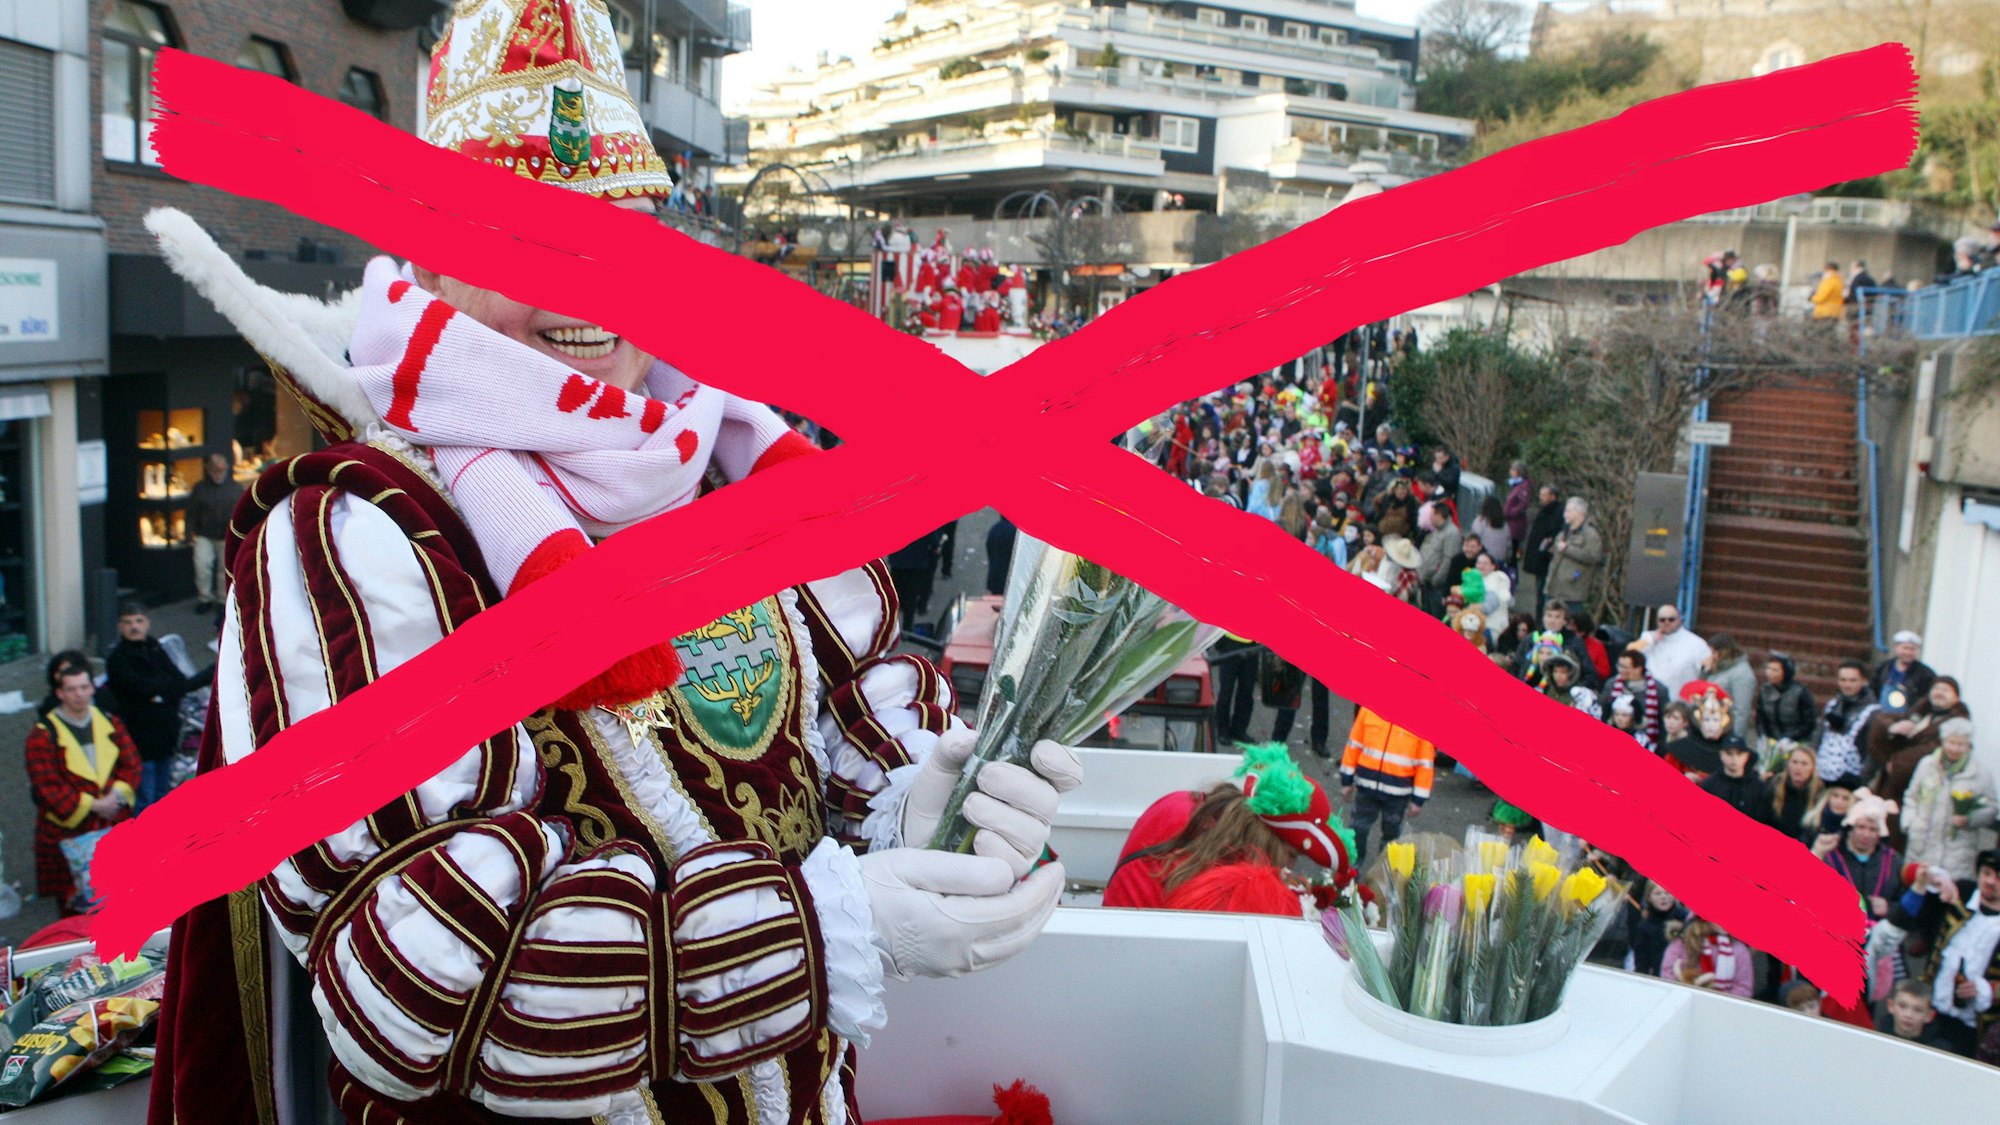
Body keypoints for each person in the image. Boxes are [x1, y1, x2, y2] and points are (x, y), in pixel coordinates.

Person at [144, 7, 1083, 1120]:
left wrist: (917, 803)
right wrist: (825, 928)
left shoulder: (729, 465)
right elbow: (418, 973)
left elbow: (842, 733)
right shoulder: (361, 535)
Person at [1107, 747, 1356, 916]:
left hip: (1112, 924)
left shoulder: (1182, 802)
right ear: (1271, 840)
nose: (1290, 866)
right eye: (1292, 855)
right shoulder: (1237, 884)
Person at [25, 661, 141, 915]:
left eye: (84, 687)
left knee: (120, 898)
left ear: (92, 689)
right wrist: (95, 805)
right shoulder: (42, 734)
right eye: (71, 689)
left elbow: (131, 764)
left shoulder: (110, 722)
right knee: (75, 905)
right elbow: (46, 787)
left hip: (112, 823)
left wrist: (115, 796)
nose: (79, 694)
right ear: (60, 693)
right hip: (70, 833)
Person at [1888, 850, 2000, 1056]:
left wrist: (1987, 989)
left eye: (1998, 877)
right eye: (1986, 873)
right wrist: (1937, 878)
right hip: (1929, 1011)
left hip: (1974, 1026)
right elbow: (1908, 873)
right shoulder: (1963, 892)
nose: (1991, 881)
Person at [103, 602, 206, 809]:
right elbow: (141, 688)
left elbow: (177, 681)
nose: (134, 626)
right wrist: (163, 691)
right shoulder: (117, 659)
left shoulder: (155, 648)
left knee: (162, 795)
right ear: (119, 626)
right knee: (145, 798)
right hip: (139, 739)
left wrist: (160, 693)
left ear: (147, 623)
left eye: (139, 621)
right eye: (128, 622)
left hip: (166, 736)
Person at [1865, 676, 1972, 840]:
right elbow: (1884, 719)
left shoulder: (1957, 723)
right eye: (1936, 688)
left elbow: (1933, 748)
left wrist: (1897, 763)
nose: (1939, 693)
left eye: (1945, 690)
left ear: (1956, 697)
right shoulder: (1920, 712)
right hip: (1892, 782)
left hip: (1919, 786)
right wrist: (1893, 727)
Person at [1902, 718, 1998, 883]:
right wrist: (1910, 824)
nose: (1955, 748)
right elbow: (1911, 796)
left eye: (1961, 744)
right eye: (1951, 742)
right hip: (1921, 845)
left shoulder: (1980, 773)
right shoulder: (1927, 765)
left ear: (1969, 745)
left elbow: (1991, 807)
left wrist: (1970, 819)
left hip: (1957, 854)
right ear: (1943, 741)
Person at [1340, 706, 1436, 865]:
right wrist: (1347, 779)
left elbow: (1425, 763)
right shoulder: (1368, 709)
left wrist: (1418, 799)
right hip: (1367, 787)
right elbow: (1354, 745)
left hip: (1398, 794)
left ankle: (1383, 876)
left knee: (1391, 837)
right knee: (1357, 830)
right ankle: (1351, 871)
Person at [1814, 789, 1905, 924]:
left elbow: (1906, 906)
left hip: (1874, 934)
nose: (1866, 834)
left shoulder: (1893, 861)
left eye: (1873, 829)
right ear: (1850, 827)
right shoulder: (1830, 854)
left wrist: (1889, 908)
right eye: (1861, 827)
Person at [187, 450, 242, 613]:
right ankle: (204, 597)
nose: (218, 474)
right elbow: (191, 512)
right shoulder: (200, 488)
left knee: (224, 569)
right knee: (202, 565)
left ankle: (221, 599)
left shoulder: (235, 488)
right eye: (215, 471)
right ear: (208, 470)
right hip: (204, 534)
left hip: (226, 534)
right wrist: (189, 532)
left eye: (221, 471)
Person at [1623, 604, 1711, 698]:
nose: (1667, 622)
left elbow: (1707, 670)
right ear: (1657, 621)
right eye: (1662, 620)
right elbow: (1628, 654)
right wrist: (1649, 640)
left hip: (1679, 703)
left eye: (1671, 619)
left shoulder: (1696, 643)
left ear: (1679, 620)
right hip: (1650, 700)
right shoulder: (1648, 638)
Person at [1818, 659, 1880, 782]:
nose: (1847, 685)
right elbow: (1819, 737)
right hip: (1821, 772)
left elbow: (1872, 752)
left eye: (1853, 680)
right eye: (1843, 680)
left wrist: (1862, 780)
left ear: (1864, 681)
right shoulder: (1832, 705)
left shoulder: (1873, 712)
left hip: (1851, 778)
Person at [1541, 496, 1605, 613]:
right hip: (1553, 588)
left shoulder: (1591, 535)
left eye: (1568, 511)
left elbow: (1594, 557)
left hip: (1572, 593)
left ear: (1579, 513)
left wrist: (1568, 549)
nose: (1564, 514)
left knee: (1569, 627)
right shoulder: (1565, 530)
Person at [1661, 918, 1753, 998]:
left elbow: (1744, 987)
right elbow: (1667, 974)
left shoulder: (1739, 950)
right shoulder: (1682, 943)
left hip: (1721, 1009)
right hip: (1684, 1000)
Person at [1617, 880, 1691, 977]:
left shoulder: (1686, 919)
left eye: (1667, 893)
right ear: (1649, 898)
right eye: (1657, 893)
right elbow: (1641, 964)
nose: (1663, 897)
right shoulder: (1644, 928)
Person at [1601, 650, 1665, 747]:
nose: (1620, 670)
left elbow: (1663, 722)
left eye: (1625, 667)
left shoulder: (1658, 690)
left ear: (1638, 668)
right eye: (1619, 665)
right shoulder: (1612, 685)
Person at [1755, 653, 1819, 749]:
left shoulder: (1799, 692)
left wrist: (1791, 738)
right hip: (1772, 742)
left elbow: (1809, 722)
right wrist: (1763, 735)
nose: (1769, 673)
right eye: (1768, 669)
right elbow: (1760, 717)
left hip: (1795, 742)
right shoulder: (1765, 690)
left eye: (1775, 670)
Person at [1703, 634, 1758, 745]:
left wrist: (1736, 739)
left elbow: (1742, 711)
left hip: (1726, 729)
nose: (1711, 656)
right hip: (1710, 724)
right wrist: (1705, 670)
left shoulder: (1742, 674)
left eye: (1714, 652)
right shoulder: (1718, 667)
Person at [1700, 741, 1771, 825]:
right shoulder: (1710, 784)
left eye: (1739, 754)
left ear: (1747, 756)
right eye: (1729, 754)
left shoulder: (1757, 787)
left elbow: (1763, 818)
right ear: (1721, 755)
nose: (1734, 759)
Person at [1519, 483, 1563, 614]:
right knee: (1538, 592)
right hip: (1538, 559)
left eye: (1544, 495)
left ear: (1553, 496)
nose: (1541, 497)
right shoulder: (1543, 510)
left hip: (1544, 560)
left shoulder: (1556, 513)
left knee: (1542, 593)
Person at [1876, 978, 1954, 1051]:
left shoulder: (1939, 1051)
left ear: (1929, 1015)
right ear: (1891, 1006)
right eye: (1903, 1006)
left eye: (1918, 1010)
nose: (1909, 1015)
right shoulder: (1875, 1039)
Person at [1768, 745, 1826, 842]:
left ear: (1813, 767)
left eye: (1804, 764)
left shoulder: (1819, 794)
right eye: (1794, 762)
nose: (1798, 768)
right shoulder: (1774, 786)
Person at [1871, 629, 1936, 715]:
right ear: (1896, 647)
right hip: (1881, 714)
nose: (1908, 652)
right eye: (1905, 648)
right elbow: (1872, 690)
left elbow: (1927, 699)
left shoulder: (1926, 673)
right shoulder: (1883, 667)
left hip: (1907, 717)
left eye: (1913, 649)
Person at [1501, 461, 1532, 560]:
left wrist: (1509, 513)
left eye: (1513, 470)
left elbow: (1523, 504)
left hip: (1515, 525)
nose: (1510, 472)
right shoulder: (1516, 485)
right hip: (1510, 523)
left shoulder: (1524, 487)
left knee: (1512, 555)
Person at [984, 513, 1017, 595]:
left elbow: (989, 549)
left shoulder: (994, 529)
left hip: (995, 578)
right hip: (1011, 580)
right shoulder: (1015, 531)